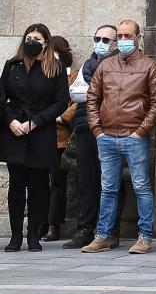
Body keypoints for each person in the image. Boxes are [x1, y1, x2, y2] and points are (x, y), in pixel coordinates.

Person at [82, 19, 156, 255]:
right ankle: (103, 236)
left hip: (134, 136)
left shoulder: (150, 66)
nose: (124, 41)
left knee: (141, 186)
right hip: (107, 136)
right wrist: (97, 130)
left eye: (128, 36)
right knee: (108, 188)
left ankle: (145, 237)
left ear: (138, 38)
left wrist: (141, 132)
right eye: (120, 36)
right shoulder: (105, 65)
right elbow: (92, 99)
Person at [0, 24, 70, 252]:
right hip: (15, 130)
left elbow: (61, 102)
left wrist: (36, 122)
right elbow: (2, 98)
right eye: (28, 37)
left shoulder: (55, 68)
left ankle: (33, 235)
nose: (31, 41)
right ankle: (16, 235)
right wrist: (11, 121)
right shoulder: (12, 66)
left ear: (46, 42)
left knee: (39, 185)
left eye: (36, 38)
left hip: (40, 130)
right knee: (17, 184)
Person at [62, 25, 125, 250]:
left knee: (110, 181)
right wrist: (98, 91)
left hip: (110, 127)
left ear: (116, 43)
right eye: (97, 38)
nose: (101, 43)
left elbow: (119, 94)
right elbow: (75, 94)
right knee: (86, 181)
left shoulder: (121, 64)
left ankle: (109, 231)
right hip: (84, 127)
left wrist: (92, 91)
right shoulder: (87, 65)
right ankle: (85, 229)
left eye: (106, 39)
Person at [41, 36, 79, 241]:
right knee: (38, 182)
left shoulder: (73, 77)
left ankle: (54, 224)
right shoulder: (41, 74)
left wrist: (58, 117)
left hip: (59, 137)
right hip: (38, 135)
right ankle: (40, 222)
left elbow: (76, 103)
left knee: (57, 182)